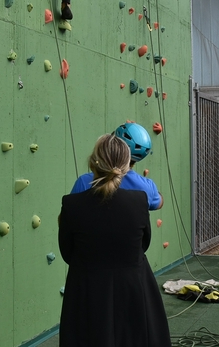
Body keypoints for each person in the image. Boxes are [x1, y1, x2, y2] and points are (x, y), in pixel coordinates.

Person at [57, 134, 170, 347]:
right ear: (127, 165)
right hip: (134, 287)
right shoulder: (139, 201)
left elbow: (67, 251)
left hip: (85, 290)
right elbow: (143, 244)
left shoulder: (71, 204)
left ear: (93, 161)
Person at [70, 122, 164, 210]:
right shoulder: (147, 188)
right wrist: (153, 192)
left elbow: (67, 217)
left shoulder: (84, 182)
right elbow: (159, 203)